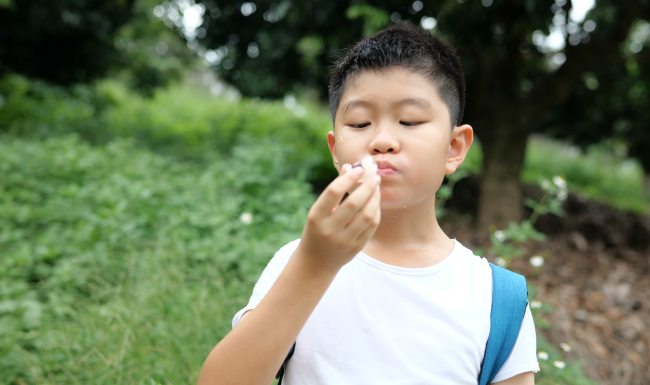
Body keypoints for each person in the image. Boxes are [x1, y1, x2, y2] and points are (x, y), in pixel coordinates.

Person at [197, 22, 539, 385]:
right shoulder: (298, 262)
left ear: (454, 147)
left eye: (409, 120)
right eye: (360, 124)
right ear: (335, 150)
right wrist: (314, 266)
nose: (382, 140)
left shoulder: (499, 301)